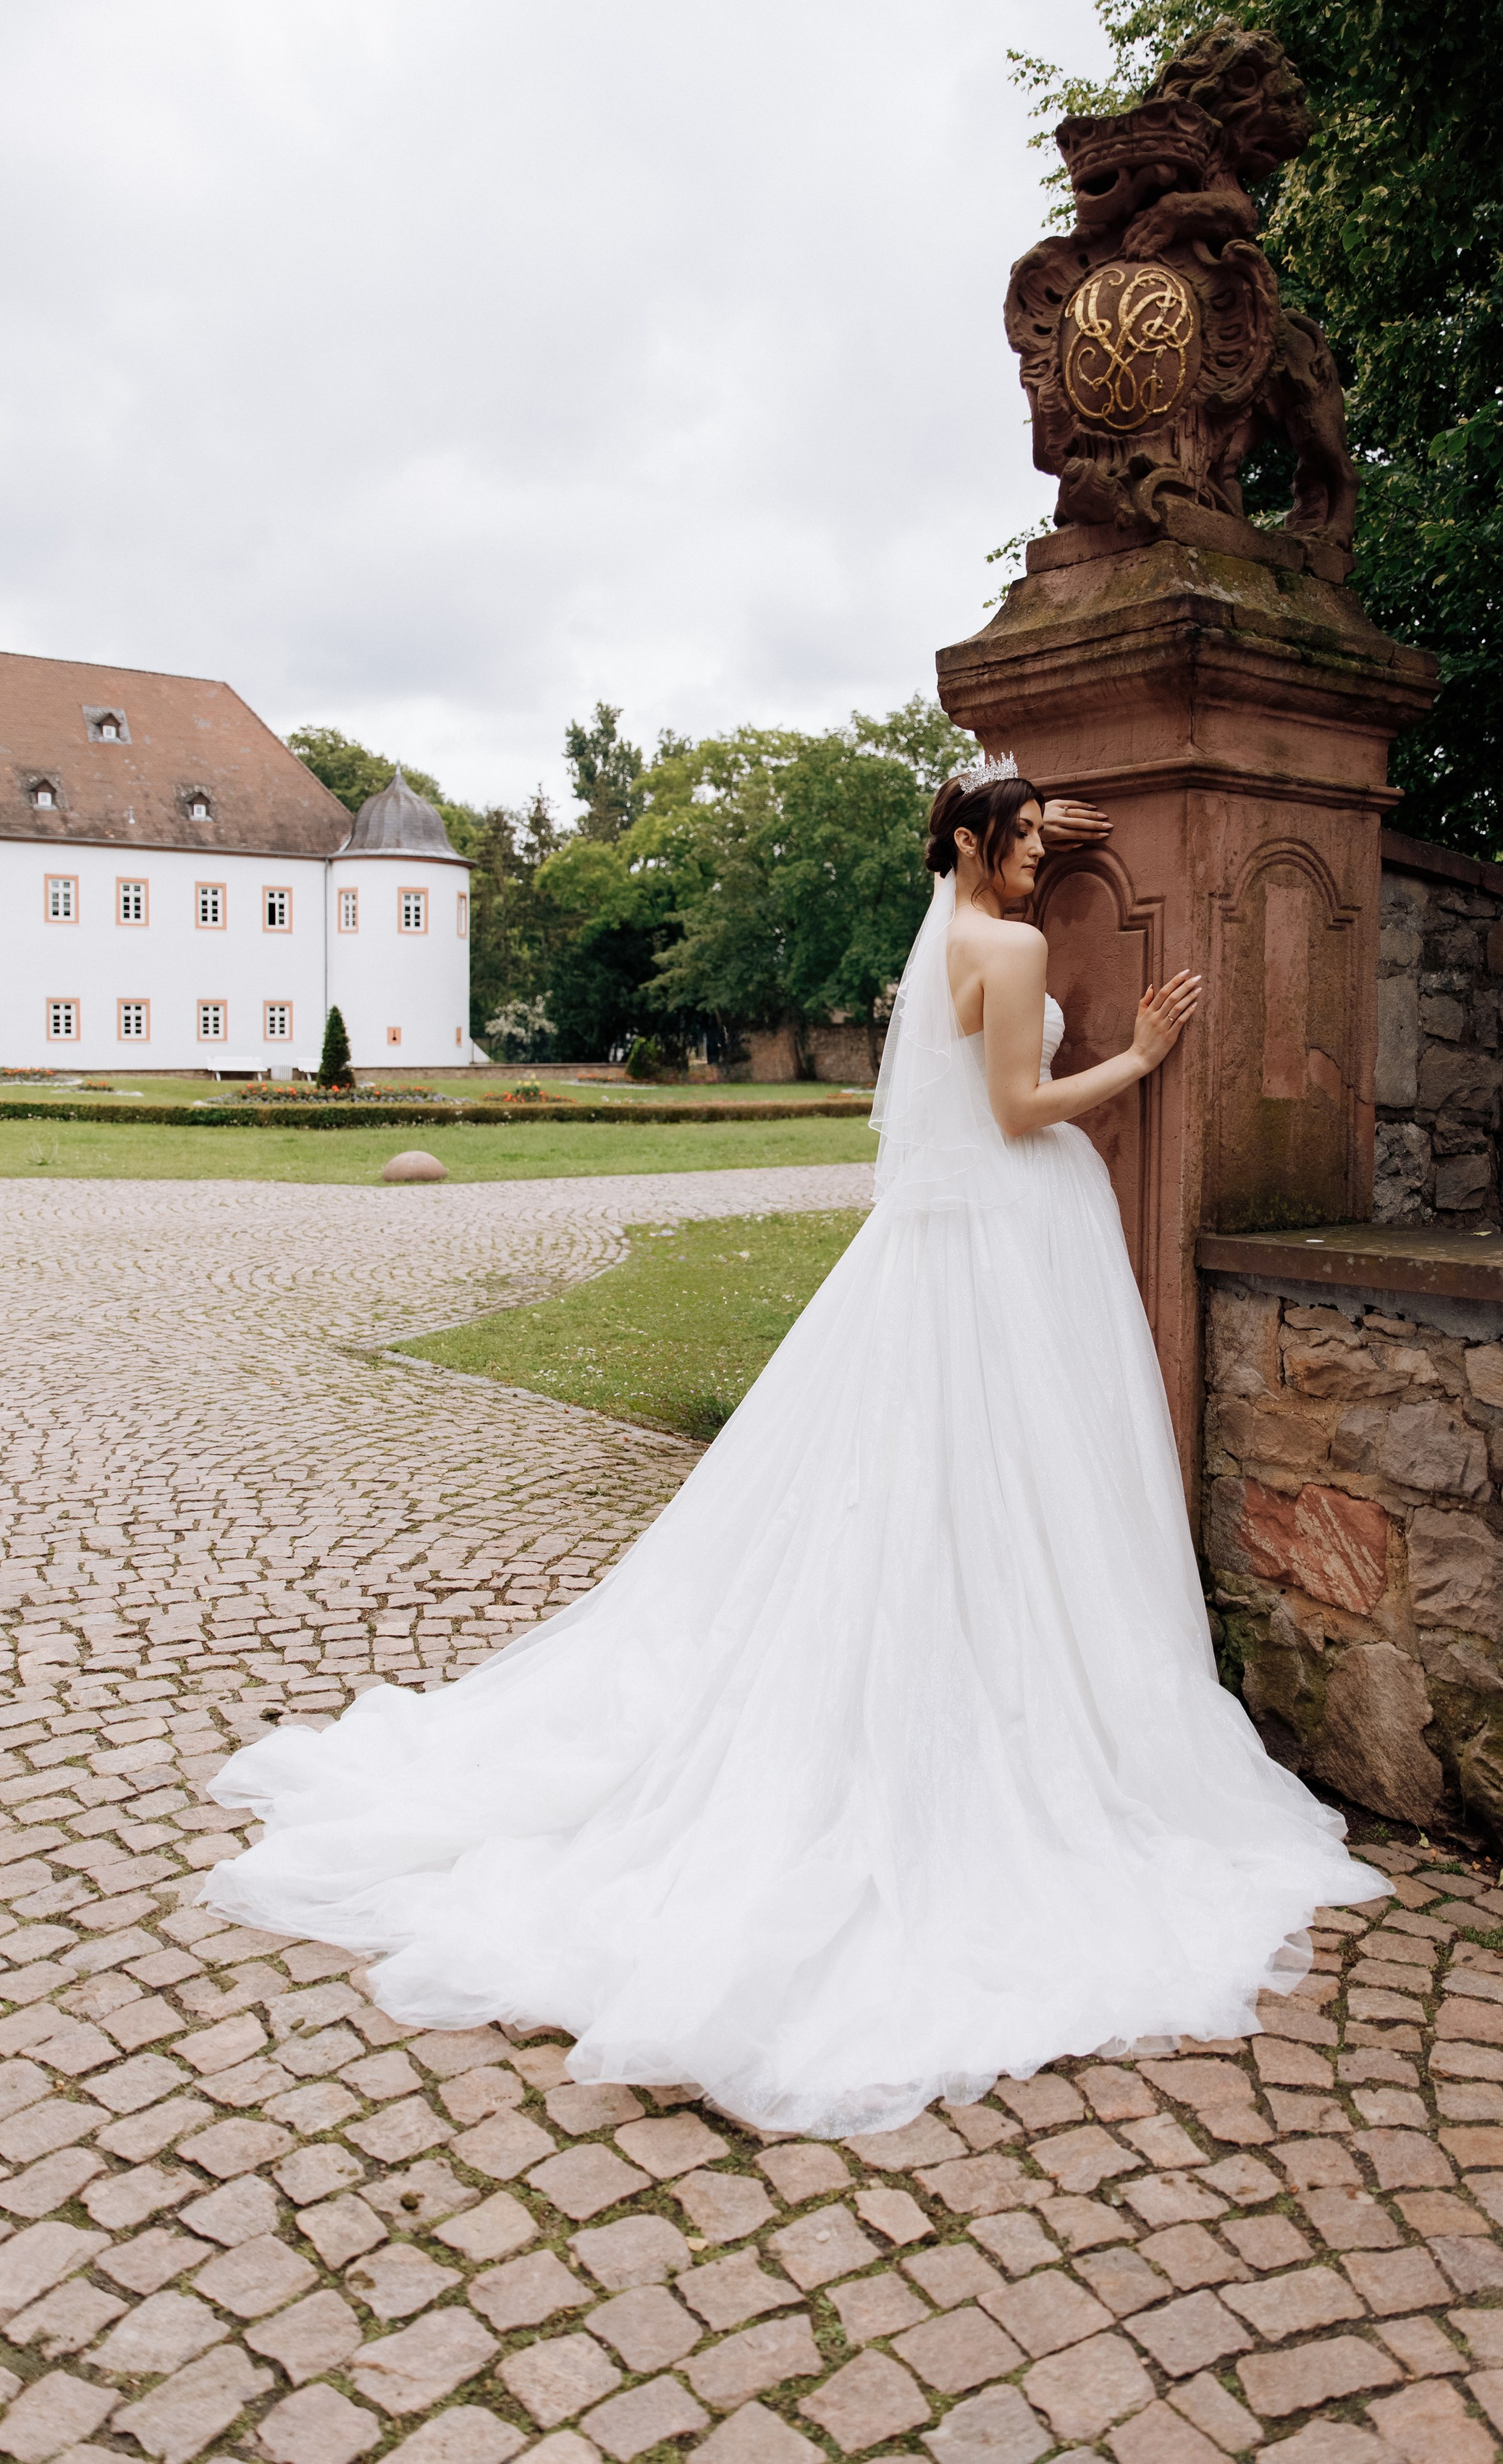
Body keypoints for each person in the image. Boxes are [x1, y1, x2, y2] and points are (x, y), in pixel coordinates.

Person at [203, 757, 1384, 2137]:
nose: (1034, 865)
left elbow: (970, 906)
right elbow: (1014, 1109)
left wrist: (1020, 828)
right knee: (1012, 1471)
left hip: (954, 1236)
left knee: (943, 1474)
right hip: (1012, 1222)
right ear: (978, 850)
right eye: (1018, 845)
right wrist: (1135, 1058)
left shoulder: (954, 925)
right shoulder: (1003, 940)